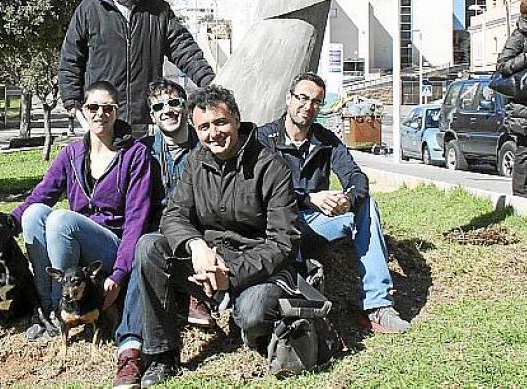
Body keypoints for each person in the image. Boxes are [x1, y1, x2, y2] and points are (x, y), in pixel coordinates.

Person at [134, 85, 301, 387]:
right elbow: (174, 215)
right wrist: (194, 244)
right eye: (203, 127)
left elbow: (284, 242)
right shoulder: (197, 161)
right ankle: (163, 355)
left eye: (220, 122)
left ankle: (249, 320)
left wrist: (232, 275)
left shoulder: (271, 167)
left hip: (255, 267)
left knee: (250, 317)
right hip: (206, 263)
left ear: (236, 119)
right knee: (150, 246)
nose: (214, 133)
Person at [257, 72, 409, 334]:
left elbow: (355, 176)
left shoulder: (326, 140)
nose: (308, 106)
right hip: (278, 226)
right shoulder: (263, 139)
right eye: (302, 98)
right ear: (288, 98)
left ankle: (377, 305)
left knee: (367, 205)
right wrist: (309, 198)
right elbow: (258, 192)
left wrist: (347, 199)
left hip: (316, 224)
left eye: (316, 102)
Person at [12, 80, 152, 341]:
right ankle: (47, 309)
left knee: (60, 219)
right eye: (93, 107)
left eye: (108, 108)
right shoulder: (72, 153)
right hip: (76, 244)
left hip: (111, 246)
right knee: (35, 214)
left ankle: (61, 306)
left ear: (117, 111)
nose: (100, 114)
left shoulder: (135, 154)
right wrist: (6, 227)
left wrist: (120, 272)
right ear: (84, 111)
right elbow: (40, 195)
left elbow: (136, 220)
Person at [112, 79, 212, 389]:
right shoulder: (142, 152)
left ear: (186, 106)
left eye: (173, 103)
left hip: (199, 231)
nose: (167, 111)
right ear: (152, 117)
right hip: (155, 235)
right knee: (143, 252)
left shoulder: (207, 143)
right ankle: (130, 349)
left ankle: (195, 295)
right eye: (158, 107)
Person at [59, 0, 215, 137]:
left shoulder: (157, 10)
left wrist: (210, 82)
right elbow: (70, 59)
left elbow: (183, 48)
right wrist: (72, 101)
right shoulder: (88, 9)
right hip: (103, 116)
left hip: (145, 117)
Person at [496, 0, 527, 197]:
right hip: (524, 104)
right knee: (525, 151)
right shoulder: (519, 37)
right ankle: (521, 196)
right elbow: (502, 66)